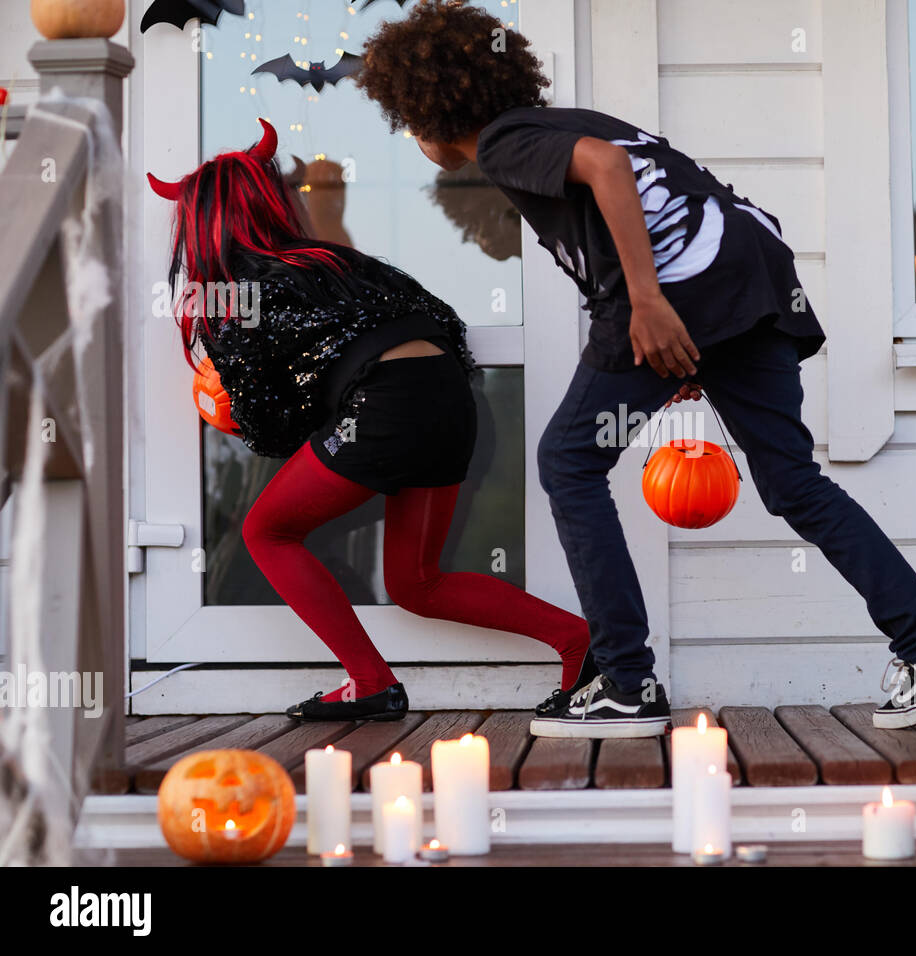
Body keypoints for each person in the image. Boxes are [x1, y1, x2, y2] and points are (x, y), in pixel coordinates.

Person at [355, 2, 916, 737]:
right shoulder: (567, 120)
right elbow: (677, 188)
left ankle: (626, 681)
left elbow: (608, 172)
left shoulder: (508, 141)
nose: (414, 138)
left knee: (568, 460)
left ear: (430, 110)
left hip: (680, 293)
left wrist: (649, 302)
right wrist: (708, 329)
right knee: (795, 484)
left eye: (408, 122)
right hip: (748, 285)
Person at [148, 118, 593, 722]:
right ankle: (581, 642)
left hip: (386, 408)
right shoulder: (338, 262)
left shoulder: (237, 290)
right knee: (415, 583)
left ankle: (370, 682)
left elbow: (272, 428)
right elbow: (440, 321)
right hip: (450, 400)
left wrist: (228, 408)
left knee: (265, 532)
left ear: (200, 226)